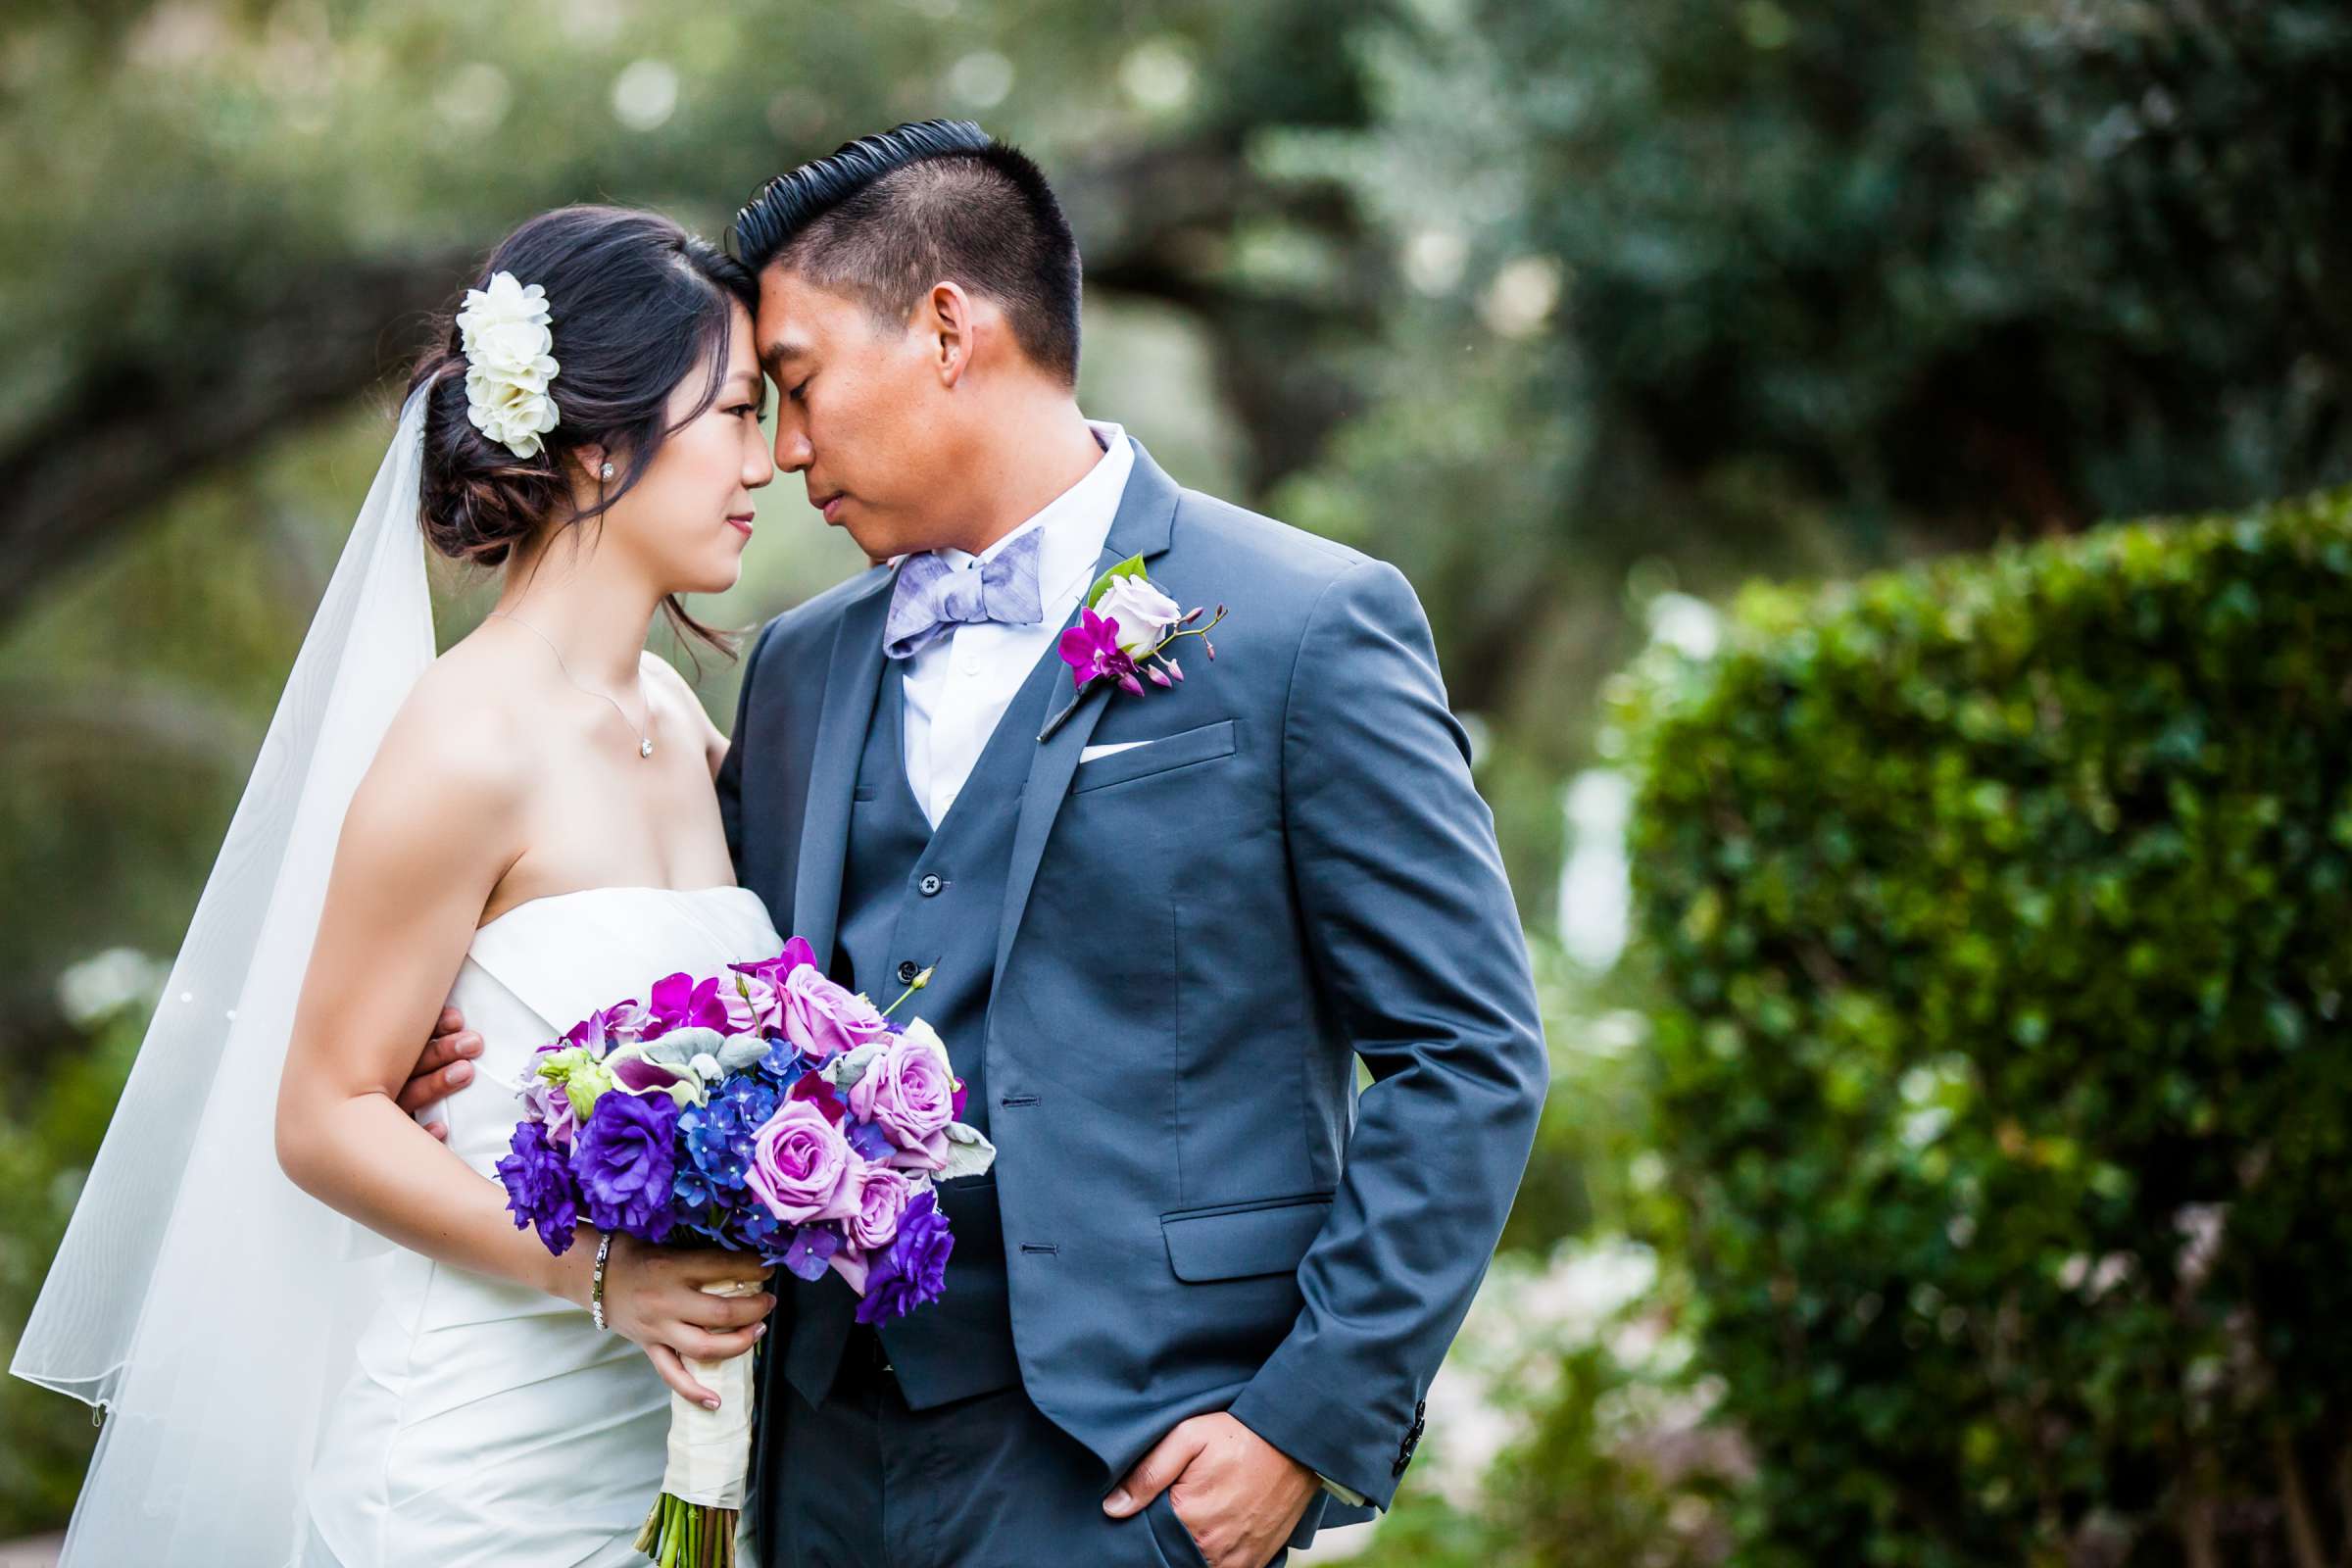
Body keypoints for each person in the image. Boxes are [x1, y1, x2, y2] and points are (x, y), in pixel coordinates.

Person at [419, 120, 1552, 1568]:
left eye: (802, 383)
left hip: (1131, 1472)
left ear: (949, 328)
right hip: (811, 1456)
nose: (785, 449)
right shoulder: (795, 671)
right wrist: (450, 1058)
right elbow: (672, 952)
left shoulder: (1304, 627)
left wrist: (1302, 1424)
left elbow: (1469, 1050)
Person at [14, 204, 784, 1567]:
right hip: (482, 1466)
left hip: (661, 1446)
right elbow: (318, 1115)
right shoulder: (465, 739)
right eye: (733, 413)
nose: (769, 460)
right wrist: (604, 1276)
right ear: (601, 439)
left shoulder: (676, 711)